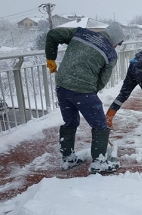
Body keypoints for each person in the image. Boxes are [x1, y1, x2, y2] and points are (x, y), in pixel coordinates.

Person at [44, 22, 125, 174]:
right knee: (100, 125)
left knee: (71, 121)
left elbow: (53, 34)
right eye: (118, 44)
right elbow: (101, 81)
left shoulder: (81, 33)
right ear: (115, 40)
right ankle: (99, 162)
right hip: (84, 91)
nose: (116, 47)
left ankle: (68, 159)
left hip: (62, 86)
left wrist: (51, 58)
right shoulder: (110, 54)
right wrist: (88, 93)